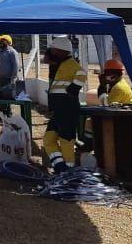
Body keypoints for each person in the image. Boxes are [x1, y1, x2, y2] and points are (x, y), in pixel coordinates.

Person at [42, 36, 84, 174]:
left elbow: (82, 73)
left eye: (54, 50)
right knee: (49, 139)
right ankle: (60, 167)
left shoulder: (71, 64)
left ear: (62, 50)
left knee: (66, 140)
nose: (52, 52)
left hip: (68, 109)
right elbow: (46, 59)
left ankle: (69, 171)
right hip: (59, 111)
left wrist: (74, 89)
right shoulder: (60, 64)